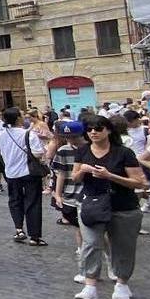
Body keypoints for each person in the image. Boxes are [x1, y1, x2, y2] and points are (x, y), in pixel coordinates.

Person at [73, 115, 149, 299]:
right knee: (90, 243)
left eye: (98, 128)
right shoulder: (82, 151)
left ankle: (122, 283)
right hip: (92, 204)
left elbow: (138, 182)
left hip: (123, 206)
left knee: (123, 247)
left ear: (108, 130)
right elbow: (75, 178)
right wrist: (82, 170)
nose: (93, 132)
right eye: (89, 129)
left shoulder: (124, 153)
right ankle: (90, 286)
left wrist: (110, 176)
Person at [0, 107, 48, 246]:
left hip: (11, 173)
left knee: (15, 201)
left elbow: (2, 152)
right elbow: (38, 153)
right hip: (29, 172)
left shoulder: (1, 134)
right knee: (33, 203)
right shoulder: (28, 134)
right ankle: (35, 236)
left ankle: (19, 229)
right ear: (18, 119)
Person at [51, 120, 89, 282]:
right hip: (70, 195)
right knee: (79, 229)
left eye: (74, 137)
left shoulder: (90, 149)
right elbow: (60, 173)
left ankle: (106, 260)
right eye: (68, 137)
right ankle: (84, 263)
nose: (71, 140)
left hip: (89, 195)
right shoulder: (63, 150)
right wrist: (57, 194)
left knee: (98, 232)